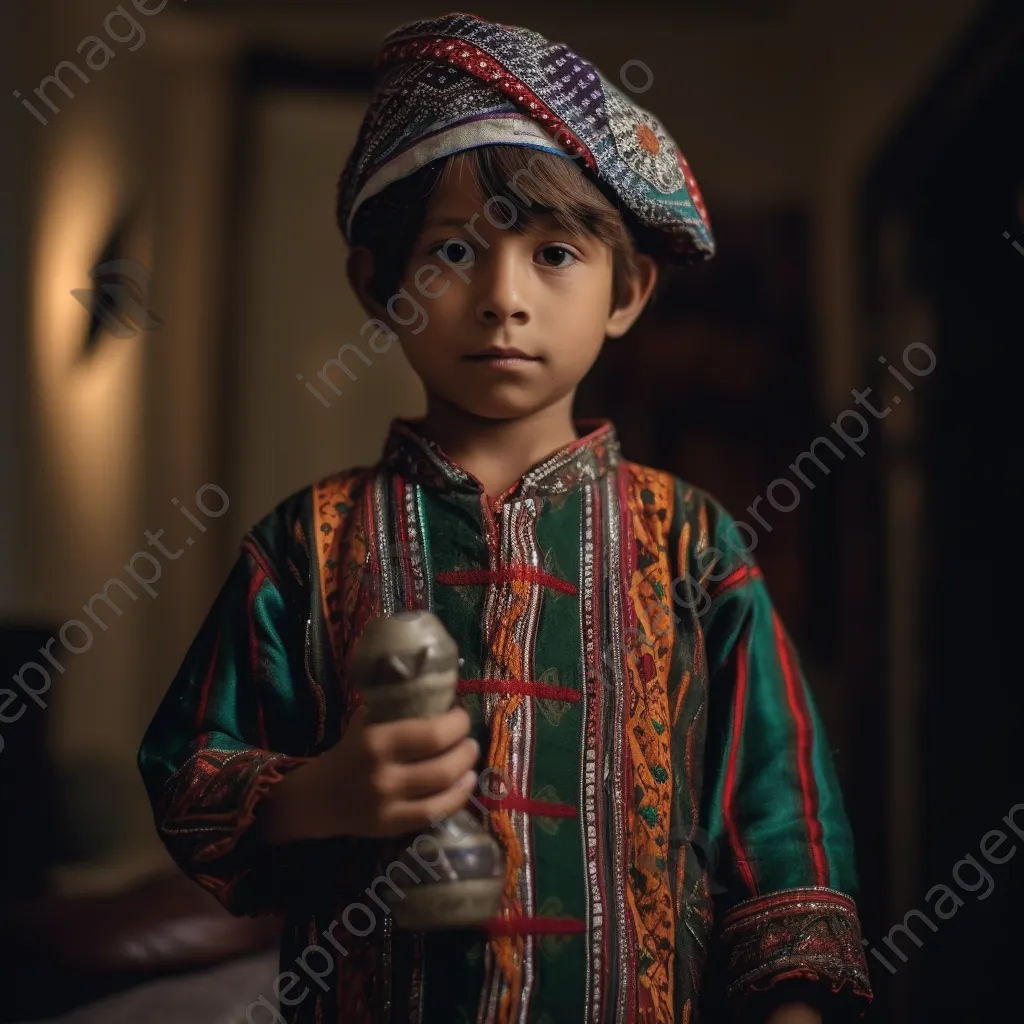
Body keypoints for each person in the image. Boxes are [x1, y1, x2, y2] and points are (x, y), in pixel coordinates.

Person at [138, 13, 873, 1024]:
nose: (502, 298)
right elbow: (187, 767)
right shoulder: (308, 541)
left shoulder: (691, 542)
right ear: (378, 286)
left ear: (628, 290)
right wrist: (321, 794)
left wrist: (792, 1007)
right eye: (450, 251)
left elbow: (778, 812)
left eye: (556, 252)